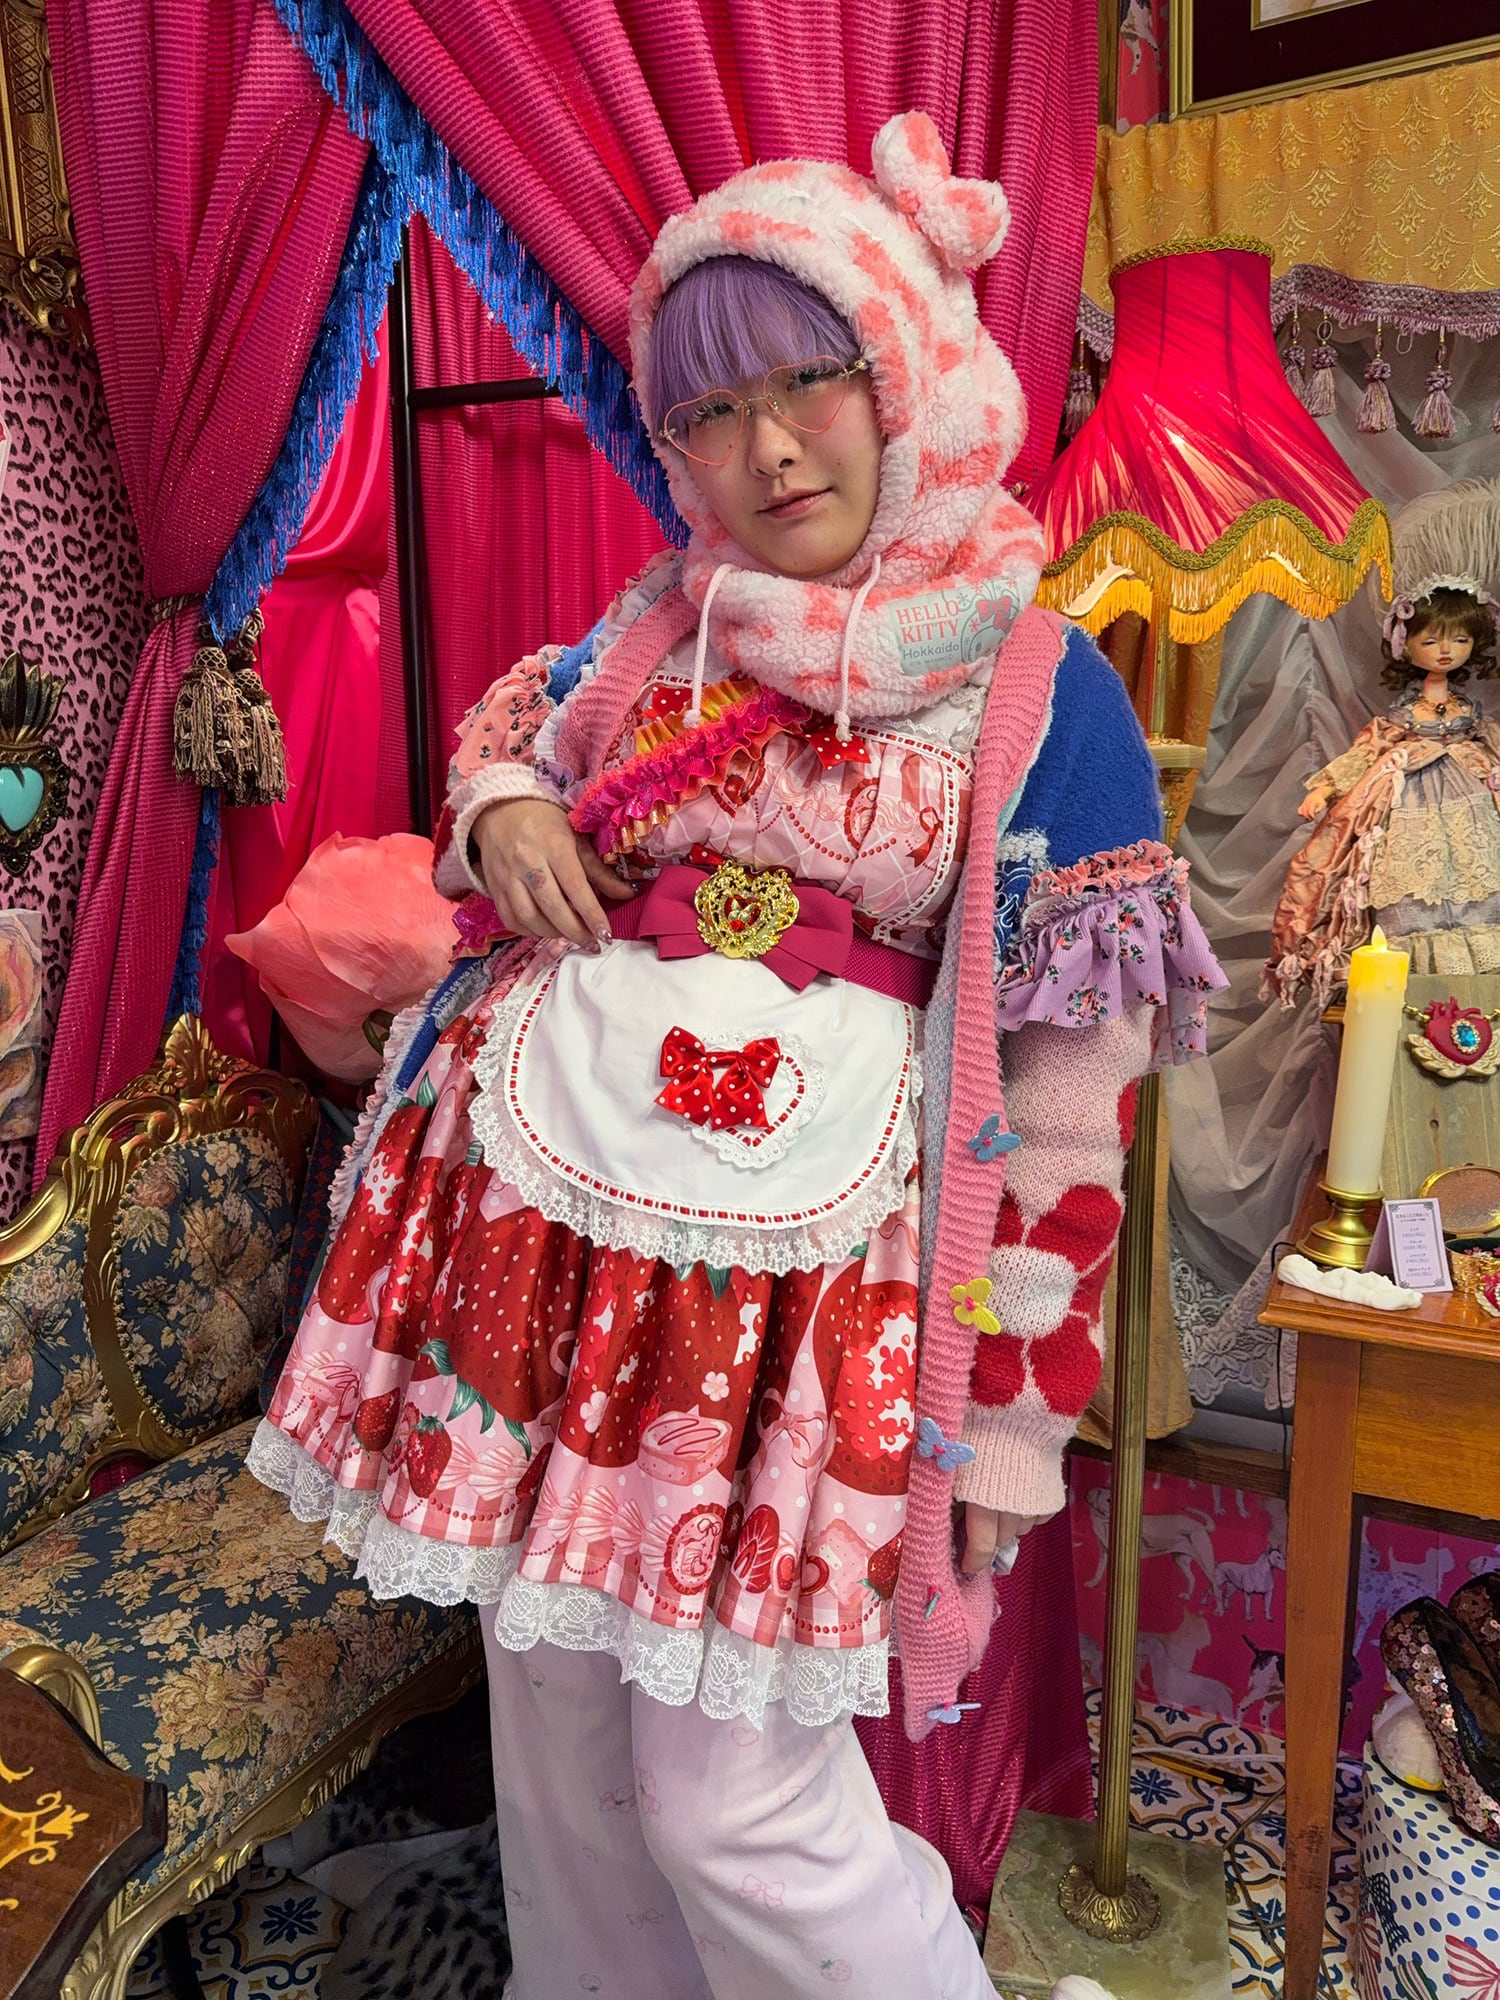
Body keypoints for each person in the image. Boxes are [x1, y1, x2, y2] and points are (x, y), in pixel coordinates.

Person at [249, 113, 1220, 2000]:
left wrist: (1019, 1430)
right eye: (708, 412)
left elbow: (1067, 1106)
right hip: (541, 1257)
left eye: (812, 382)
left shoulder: (1037, 686)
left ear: (909, 374)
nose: (769, 451)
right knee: (557, 1748)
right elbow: (511, 757)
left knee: (735, 1808)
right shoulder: (654, 634)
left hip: (802, 1334)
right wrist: (507, 815)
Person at [1265, 477, 1500, 1009]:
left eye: (1459, 640)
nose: (1446, 651)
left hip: (1471, 799)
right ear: (1406, 644)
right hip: (1407, 800)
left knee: (1477, 874)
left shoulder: (1473, 718)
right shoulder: (1400, 720)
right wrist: (1325, 788)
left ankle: (1477, 987)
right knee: (1410, 881)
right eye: (1431, 640)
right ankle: (1420, 985)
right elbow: (1366, 752)